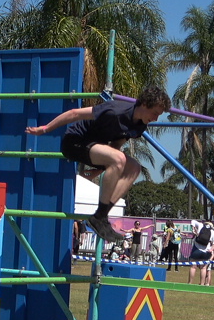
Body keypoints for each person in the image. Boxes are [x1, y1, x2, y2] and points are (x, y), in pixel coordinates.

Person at [25, 86, 170, 243]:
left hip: (95, 148)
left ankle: (101, 216)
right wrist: (45, 129)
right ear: (144, 104)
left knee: (134, 168)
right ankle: (99, 215)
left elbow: (115, 146)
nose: (156, 118)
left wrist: (100, 168)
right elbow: (74, 113)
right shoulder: (115, 110)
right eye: (155, 113)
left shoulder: (139, 125)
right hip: (75, 141)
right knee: (119, 159)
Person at [187, 218, 214, 286]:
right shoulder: (212, 232)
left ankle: (190, 283)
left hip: (196, 249)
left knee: (193, 267)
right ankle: (202, 283)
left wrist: (193, 229)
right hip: (206, 251)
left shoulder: (200, 225)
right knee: (203, 268)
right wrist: (211, 249)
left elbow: (192, 221)